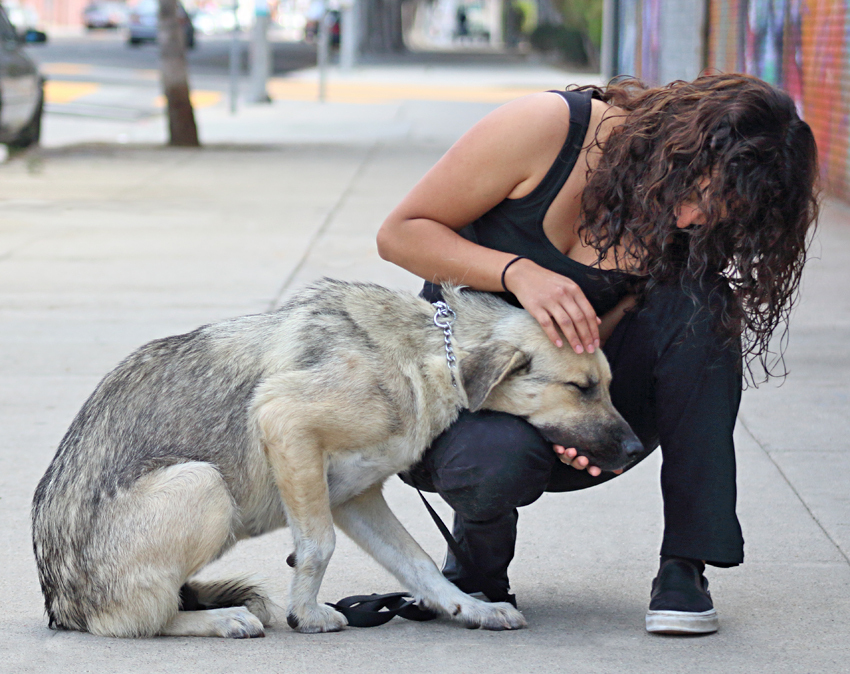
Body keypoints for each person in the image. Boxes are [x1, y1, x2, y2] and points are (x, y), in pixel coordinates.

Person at [376, 73, 819, 634]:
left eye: (718, 213)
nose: (691, 221)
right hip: (467, 401)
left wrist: (584, 417)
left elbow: (611, 330)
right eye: (694, 194)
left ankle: (685, 565)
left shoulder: (684, 230)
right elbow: (399, 233)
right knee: (491, 461)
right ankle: (476, 562)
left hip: (575, 400)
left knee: (703, 304)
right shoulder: (547, 130)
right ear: (677, 148)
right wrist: (518, 273)